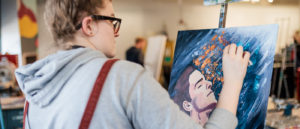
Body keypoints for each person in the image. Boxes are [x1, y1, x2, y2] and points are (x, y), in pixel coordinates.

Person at [15, 0, 250, 129]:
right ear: (89, 26)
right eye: (112, 21)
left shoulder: (35, 90)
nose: (117, 32)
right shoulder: (121, 78)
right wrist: (232, 83)